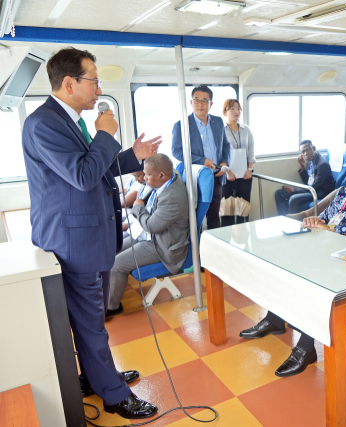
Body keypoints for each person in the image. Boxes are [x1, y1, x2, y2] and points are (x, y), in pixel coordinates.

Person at [21, 47, 159, 418]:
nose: (99, 89)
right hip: (73, 242)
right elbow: (82, 176)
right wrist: (106, 134)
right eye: (93, 80)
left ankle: (97, 376)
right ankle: (114, 395)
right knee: (89, 322)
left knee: (90, 320)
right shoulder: (43, 124)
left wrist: (132, 154)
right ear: (69, 84)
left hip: (91, 237)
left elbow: (93, 166)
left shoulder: (70, 121)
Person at [240, 147, 346, 377]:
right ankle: (275, 319)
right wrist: (317, 220)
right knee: (284, 262)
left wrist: (329, 230)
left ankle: (305, 350)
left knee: (316, 278)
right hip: (330, 249)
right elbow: (329, 217)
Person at [107, 154, 190, 315]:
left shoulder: (172, 198)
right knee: (112, 247)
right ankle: (106, 292)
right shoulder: (169, 177)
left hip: (161, 245)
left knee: (116, 266)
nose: (144, 178)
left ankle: (111, 307)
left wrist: (138, 207)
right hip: (147, 234)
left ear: (161, 175)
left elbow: (151, 226)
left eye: (147, 175)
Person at [172, 85, 230, 230]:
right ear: (191, 102)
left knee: (214, 218)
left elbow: (226, 145)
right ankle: (195, 250)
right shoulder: (181, 125)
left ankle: (214, 250)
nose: (200, 104)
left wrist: (224, 162)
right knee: (194, 220)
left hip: (216, 177)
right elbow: (176, 151)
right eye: (197, 100)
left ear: (211, 104)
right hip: (194, 180)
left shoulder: (218, 122)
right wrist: (202, 160)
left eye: (205, 101)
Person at [274, 140, 335, 215]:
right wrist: (302, 166)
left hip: (321, 192)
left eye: (307, 150)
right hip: (313, 189)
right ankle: (284, 219)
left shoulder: (322, 164)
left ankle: (293, 223)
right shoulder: (310, 161)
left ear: (314, 148)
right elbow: (308, 182)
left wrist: (293, 190)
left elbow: (314, 187)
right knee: (279, 193)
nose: (306, 153)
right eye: (303, 152)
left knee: (294, 199)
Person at [221, 99, 255, 226]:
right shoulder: (221, 130)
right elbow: (220, 154)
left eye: (239, 109)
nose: (237, 111)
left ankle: (244, 240)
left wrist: (250, 169)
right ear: (225, 112)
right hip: (227, 175)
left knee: (243, 210)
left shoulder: (246, 130)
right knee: (227, 211)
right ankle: (226, 239)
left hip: (245, 174)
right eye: (232, 108)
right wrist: (227, 171)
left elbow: (251, 152)